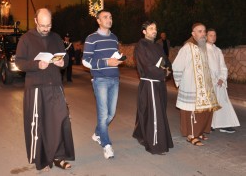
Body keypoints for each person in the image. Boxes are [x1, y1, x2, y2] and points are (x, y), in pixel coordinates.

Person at [15, 8, 75, 171]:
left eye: (49, 25)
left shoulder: (56, 37)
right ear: (35, 21)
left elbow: (65, 56)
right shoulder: (26, 39)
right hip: (36, 87)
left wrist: (63, 62)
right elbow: (19, 62)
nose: (46, 28)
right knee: (39, 124)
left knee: (60, 120)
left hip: (55, 85)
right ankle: (40, 160)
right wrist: (36, 65)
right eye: (43, 25)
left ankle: (58, 156)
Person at [82, 9, 123, 159]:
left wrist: (118, 60)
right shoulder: (91, 38)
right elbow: (86, 61)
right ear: (98, 21)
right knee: (103, 113)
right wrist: (107, 62)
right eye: (105, 17)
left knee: (111, 113)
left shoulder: (114, 38)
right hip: (100, 80)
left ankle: (97, 133)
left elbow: (114, 57)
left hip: (114, 78)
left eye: (110, 17)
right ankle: (106, 144)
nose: (109, 19)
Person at [172, 23, 221, 146]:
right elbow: (177, 65)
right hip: (191, 85)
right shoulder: (187, 48)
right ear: (193, 34)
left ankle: (198, 132)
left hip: (204, 86)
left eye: (204, 31)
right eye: (199, 31)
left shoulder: (203, 47)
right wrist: (178, 81)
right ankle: (191, 135)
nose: (203, 34)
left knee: (204, 111)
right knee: (192, 111)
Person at [132, 21, 173, 155]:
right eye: (151, 28)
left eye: (155, 28)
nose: (154, 31)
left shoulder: (158, 46)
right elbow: (146, 66)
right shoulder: (140, 46)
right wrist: (163, 73)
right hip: (149, 83)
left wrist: (168, 70)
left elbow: (166, 61)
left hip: (159, 83)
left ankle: (141, 134)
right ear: (144, 31)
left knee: (156, 111)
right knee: (154, 114)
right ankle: (156, 144)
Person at [206, 29, 240, 133]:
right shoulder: (202, 49)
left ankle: (224, 124)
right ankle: (209, 125)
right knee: (209, 104)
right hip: (209, 81)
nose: (213, 37)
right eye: (210, 35)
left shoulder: (218, 50)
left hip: (219, 82)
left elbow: (223, 66)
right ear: (206, 36)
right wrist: (211, 79)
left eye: (214, 35)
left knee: (223, 103)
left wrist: (221, 78)